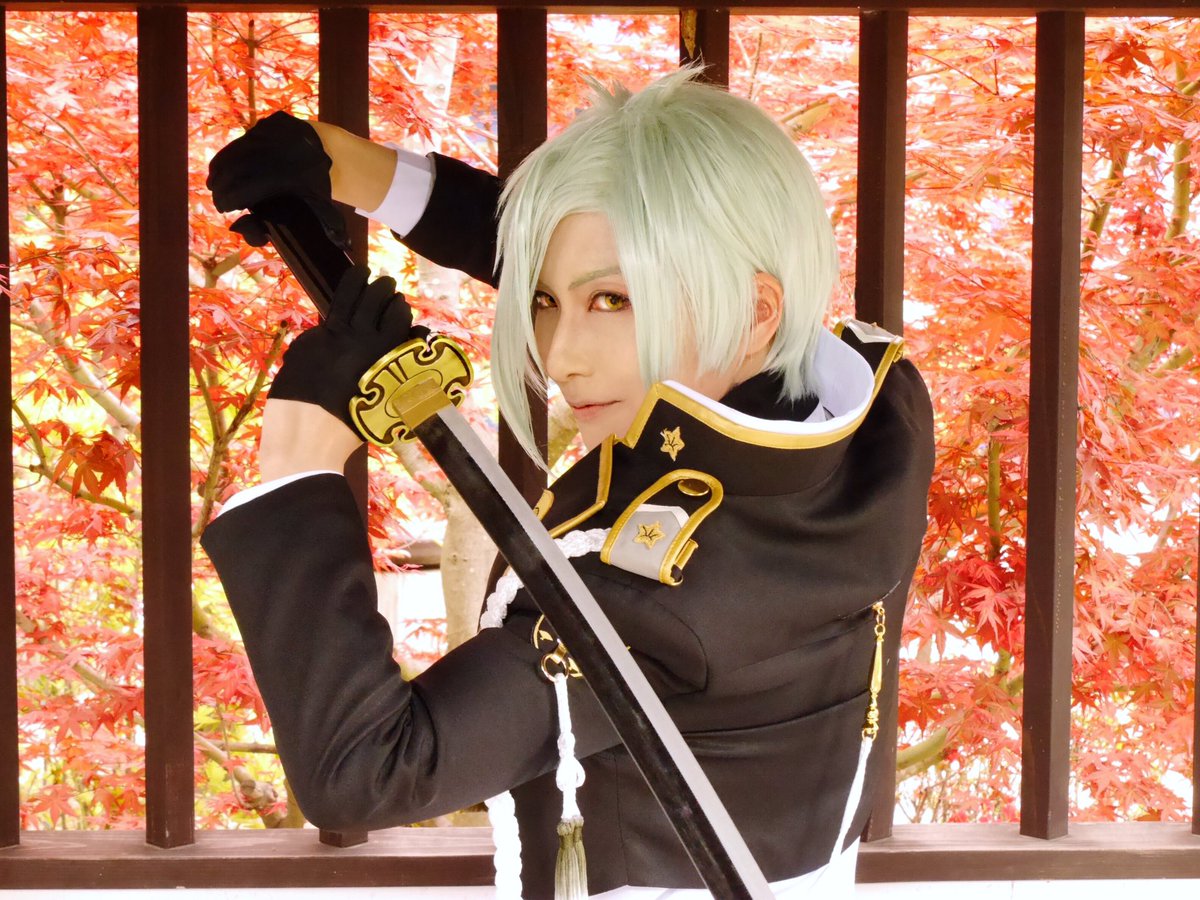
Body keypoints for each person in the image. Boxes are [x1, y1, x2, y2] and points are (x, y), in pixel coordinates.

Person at [202, 67, 934, 899]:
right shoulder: (876, 414)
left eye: (613, 304)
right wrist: (356, 169)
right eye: (546, 301)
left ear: (756, 309)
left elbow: (365, 771)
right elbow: (599, 252)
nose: (560, 357)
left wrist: (299, 456)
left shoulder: (645, 589)